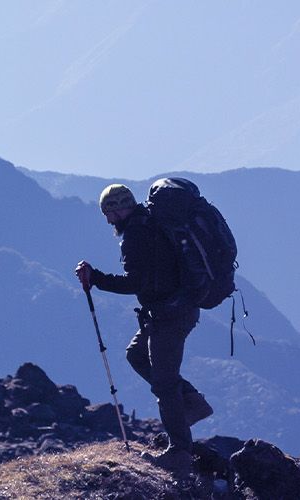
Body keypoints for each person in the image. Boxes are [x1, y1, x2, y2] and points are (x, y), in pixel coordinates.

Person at [74, 183, 213, 476]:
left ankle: (179, 452)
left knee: (164, 383)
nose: (108, 220)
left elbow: (135, 283)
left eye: (108, 213)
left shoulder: (135, 235)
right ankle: (193, 404)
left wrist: (96, 278)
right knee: (137, 355)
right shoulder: (149, 222)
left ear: (118, 208)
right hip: (173, 310)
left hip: (170, 315)